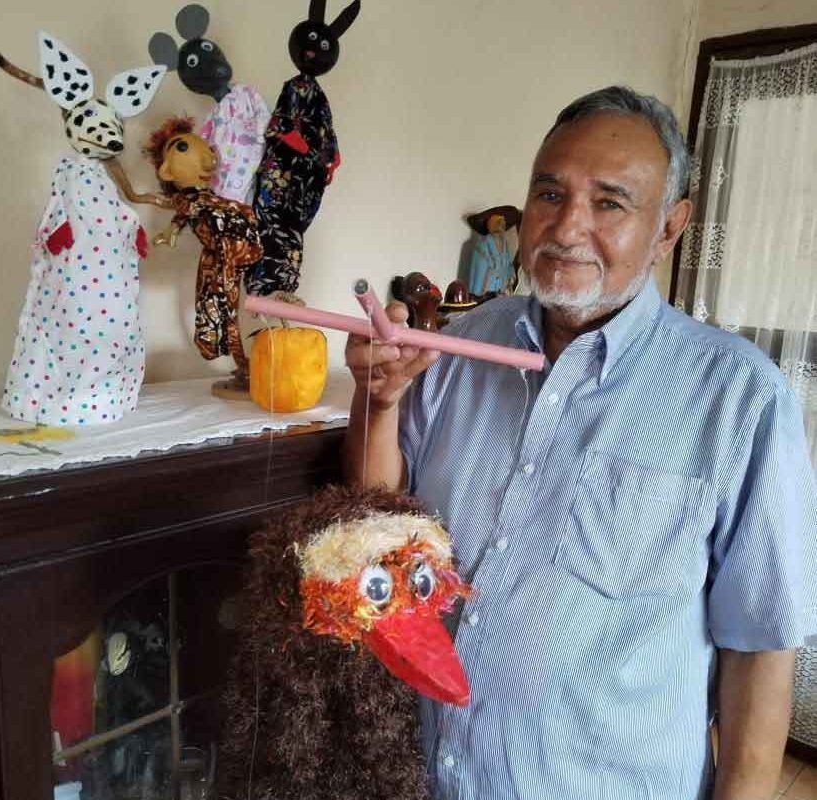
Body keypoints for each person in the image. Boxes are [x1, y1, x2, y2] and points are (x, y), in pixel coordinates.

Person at [343, 86, 816, 800]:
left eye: (609, 203)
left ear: (669, 227)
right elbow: (376, 525)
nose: (566, 228)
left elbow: (761, 648)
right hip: (421, 778)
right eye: (549, 194)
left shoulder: (738, 397)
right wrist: (377, 404)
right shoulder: (458, 345)